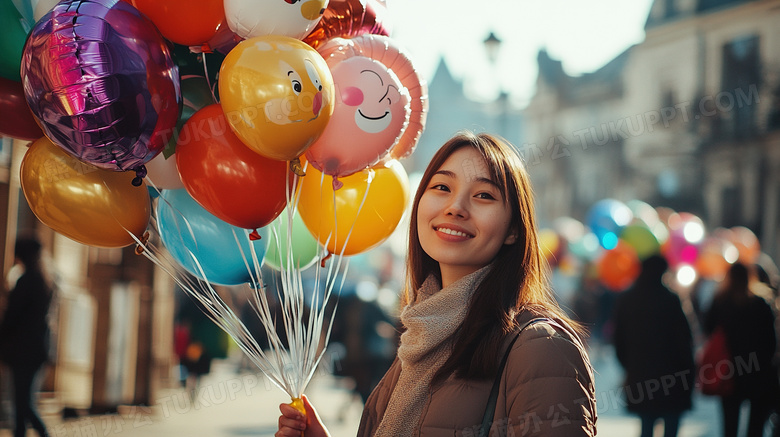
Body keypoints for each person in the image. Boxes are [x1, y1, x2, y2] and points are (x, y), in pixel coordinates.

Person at [276, 131, 598, 436]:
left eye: (484, 195)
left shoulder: (543, 348)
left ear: (514, 229)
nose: (455, 207)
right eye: (442, 188)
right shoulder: (416, 341)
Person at [611, 255, 695, 437]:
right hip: (672, 377)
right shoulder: (671, 300)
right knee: (671, 426)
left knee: (646, 424)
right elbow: (684, 342)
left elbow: (618, 340)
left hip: (641, 374)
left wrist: (630, 366)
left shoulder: (627, 299)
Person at [704, 262, 780, 437]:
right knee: (755, 428)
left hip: (728, 371)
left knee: (729, 427)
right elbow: (771, 342)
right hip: (759, 373)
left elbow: (708, 330)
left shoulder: (720, 302)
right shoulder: (761, 304)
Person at [0, 237, 54, 437]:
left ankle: (42, 433)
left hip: (22, 349)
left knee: (21, 401)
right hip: (37, 349)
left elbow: (12, 317)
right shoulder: (44, 280)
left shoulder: (26, 281)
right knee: (23, 400)